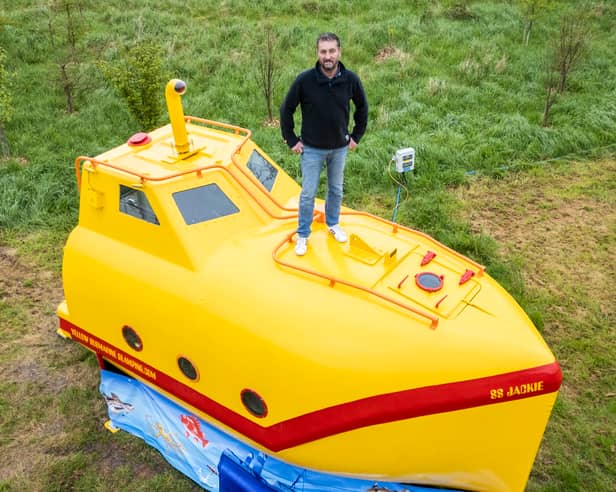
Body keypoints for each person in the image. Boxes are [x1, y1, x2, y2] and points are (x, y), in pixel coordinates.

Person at [280, 32, 368, 256]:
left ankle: (332, 223)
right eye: (323, 52)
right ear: (317, 53)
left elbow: (363, 107)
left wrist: (356, 136)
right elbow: (286, 109)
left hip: (339, 147)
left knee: (336, 189)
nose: (327, 56)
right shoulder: (304, 80)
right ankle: (303, 234)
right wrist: (291, 139)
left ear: (339, 52)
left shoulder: (351, 80)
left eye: (331, 51)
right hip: (311, 149)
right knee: (308, 193)